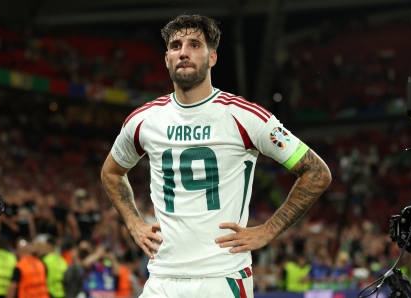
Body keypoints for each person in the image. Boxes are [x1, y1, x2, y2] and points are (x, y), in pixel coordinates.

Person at [100, 14, 332, 298]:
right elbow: (111, 171)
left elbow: (317, 172)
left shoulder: (245, 117)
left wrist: (268, 231)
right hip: (161, 277)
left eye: (195, 45)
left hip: (222, 278)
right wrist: (134, 223)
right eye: (175, 46)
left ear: (212, 57)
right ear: (166, 58)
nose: (183, 52)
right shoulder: (143, 120)